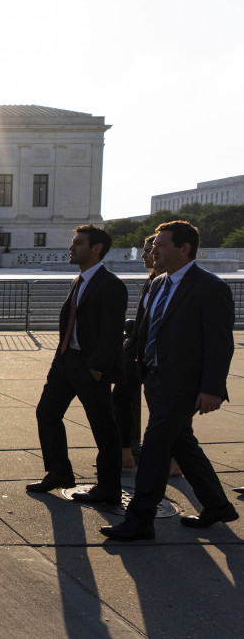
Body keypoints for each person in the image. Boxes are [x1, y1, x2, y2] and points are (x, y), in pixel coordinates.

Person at [100, 221, 237, 540]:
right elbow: (146, 330)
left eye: (161, 245)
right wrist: (134, 369)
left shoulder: (210, 287)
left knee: (155, 448)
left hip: (185, 385)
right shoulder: (157, 283)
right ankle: (217, 505)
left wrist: (211, 388)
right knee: (182, 442)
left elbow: (220, 344)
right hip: (154, 378)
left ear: (184, 249)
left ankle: (141, 519)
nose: (152, 251)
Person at [27, 225, 127, 504]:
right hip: (65, 362)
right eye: (73, 243)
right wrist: (61, 356)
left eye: (79, 243)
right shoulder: (78, 281)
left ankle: (108, 488)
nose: (72, 248)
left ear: (97, 248)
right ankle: (59, 472)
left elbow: (111, 332)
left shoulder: (111, 285)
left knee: (103, 428)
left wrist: (96, 369)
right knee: (47, 413)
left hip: (90, 366)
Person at [114, 234, 156, 470]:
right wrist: (131, 340)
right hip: (137, 352)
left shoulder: (168, 283)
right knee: (120, 399)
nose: (145, 254)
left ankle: (173, 460)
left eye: (149, 250)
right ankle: (126, 454)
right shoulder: (152, 282)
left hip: (158, 356)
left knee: (162, 410)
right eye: (147, 249)